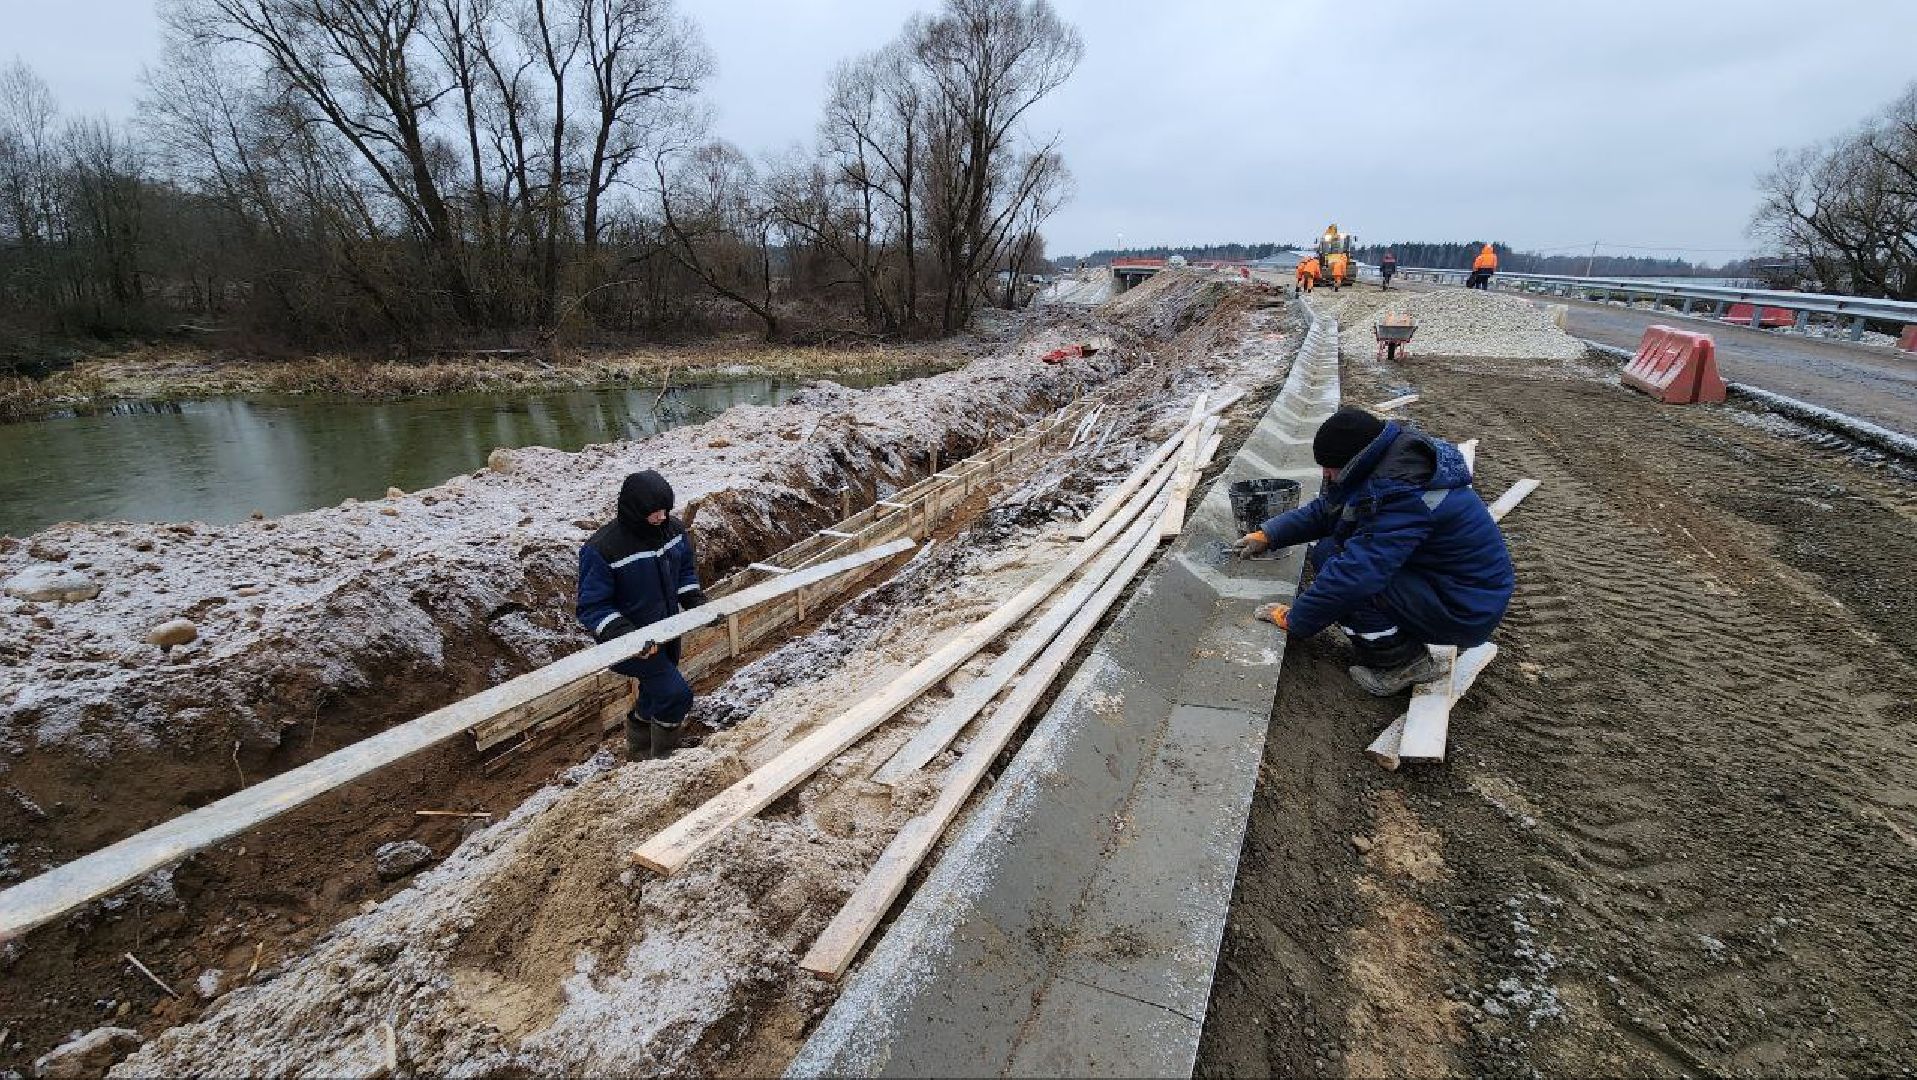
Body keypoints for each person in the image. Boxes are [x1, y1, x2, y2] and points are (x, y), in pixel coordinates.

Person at [1234, 407, 1515, 695]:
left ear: (1355, 461)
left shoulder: (1403, 496)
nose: (1325, 475)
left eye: (1331, 467)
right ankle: (1404, 635)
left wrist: (1295, 619)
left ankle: (1404, 665)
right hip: (1451, 585)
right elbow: (1328, 511)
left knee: (1351, 584)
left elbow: (1355, 576)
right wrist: (1269, 534)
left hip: (1465, 606)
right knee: (1330, 552)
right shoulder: (1389, 466)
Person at [577, 469, 708, 760]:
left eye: (665, 510)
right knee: (676, 695)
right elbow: (592, 607)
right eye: (655, 512)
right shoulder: (603, 549)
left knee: (655, 692)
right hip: (630, 644)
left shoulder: (672, 532)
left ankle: (639, 753)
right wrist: (625, 636)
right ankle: (664, 757)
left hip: (668, 633)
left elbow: (685, 570)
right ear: (636, 511)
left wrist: (693, 598)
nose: (662, 517)